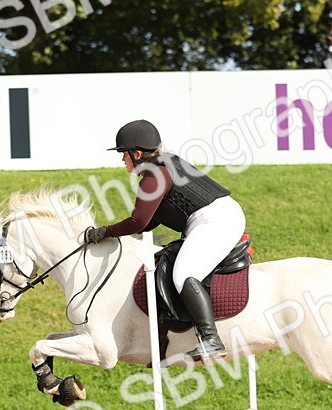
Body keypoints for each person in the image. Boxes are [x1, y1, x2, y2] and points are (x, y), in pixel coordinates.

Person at [83, 120, 246, 362]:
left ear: (136, 153)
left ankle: (211, 339)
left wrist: (104, 232)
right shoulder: (164, 166)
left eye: (123, 154)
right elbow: (148, 223)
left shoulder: (156, 174)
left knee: (184, 273)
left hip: (215, 221)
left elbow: (138, 222)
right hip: (218, 217)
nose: (122, 160)